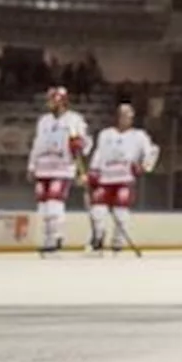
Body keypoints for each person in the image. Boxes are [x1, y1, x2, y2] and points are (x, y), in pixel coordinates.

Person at [86, 104, 159, 254]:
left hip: (125, 180)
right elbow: (98, 154)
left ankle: (117, 242)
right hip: (105, 179)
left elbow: (152, 151)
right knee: (97, 212)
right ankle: (98, 238)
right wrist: (93, 172)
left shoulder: (139, 136)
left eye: (129, 116)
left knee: (121, 214)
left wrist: (144, 166)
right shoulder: (106, 134)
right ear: (117, 116)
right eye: (123, 115)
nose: (126, 119)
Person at [27, 86, 91, 255]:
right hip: (43, 168)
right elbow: (37, 144)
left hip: (62, 169)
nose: (49, 103)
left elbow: (86, 143)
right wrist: (32, 165)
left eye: (53, 100)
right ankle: (48, 239)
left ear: (62, 101)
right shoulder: (43, 121)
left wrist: (79, 143)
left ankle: (56, 237)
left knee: (54, 204)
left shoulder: (75, 120)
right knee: (44, 208)